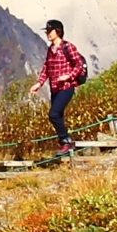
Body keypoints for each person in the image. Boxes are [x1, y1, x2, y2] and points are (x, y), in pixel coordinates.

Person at [40, 21, 90, 153]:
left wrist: (69, 76)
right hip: (55, 88)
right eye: (47, 31)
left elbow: (79, 64)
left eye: (50, 31)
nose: (48, 34)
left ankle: (66, 140)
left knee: (54, 114)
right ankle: (65, 145)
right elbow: (47, 67)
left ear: (58, 31)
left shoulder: (68, 47)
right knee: (58, 116)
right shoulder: (51, 49)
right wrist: (39, 83)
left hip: (67, 87)